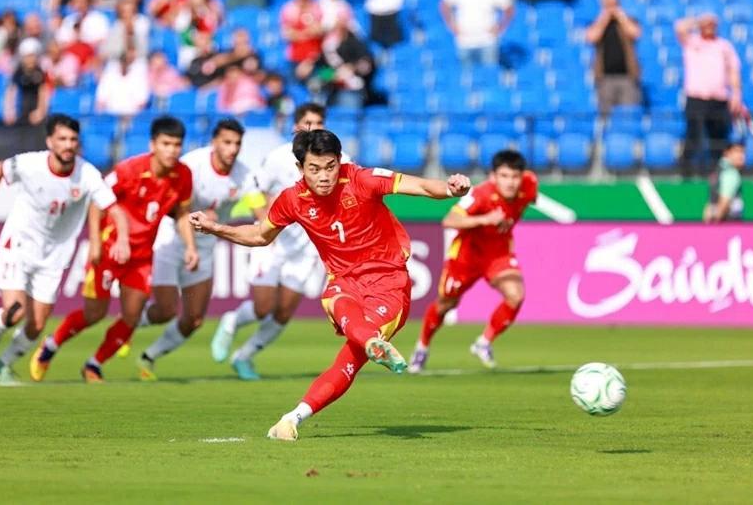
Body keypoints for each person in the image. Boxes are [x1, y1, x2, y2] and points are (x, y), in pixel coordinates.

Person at [193, 129, 471, 440]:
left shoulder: (362, 179)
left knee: (349, 359)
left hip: (389, 284)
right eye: (314, 169)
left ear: (340, 161)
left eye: (330, 166)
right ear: (300, 168)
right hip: (344, 281)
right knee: (338, 302)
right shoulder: (292, 199)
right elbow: (259, 235)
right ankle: (365, 348)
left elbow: (418, 185)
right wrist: (215, 228)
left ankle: (295, 414)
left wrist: (450, 189)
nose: (324, 176)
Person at [30, 116, 197, 383]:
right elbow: (97, 202)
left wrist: (190, 246)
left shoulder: (183, 175)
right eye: (166, 144)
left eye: (177, 145)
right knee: (94, 313)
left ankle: (94, 365)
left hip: (141, 257)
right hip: (109, 251)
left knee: (132, 315)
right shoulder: (129, 170)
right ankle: (51, 345)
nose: (172, 150)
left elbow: (182, 213)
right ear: (153, 144)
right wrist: (96, 243)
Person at [0, 114, 130, 383]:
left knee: (36, 325)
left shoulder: (87, 174)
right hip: (20, 242)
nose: (68, 144)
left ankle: (3, 365)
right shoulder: (31, 164)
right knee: (16, 311)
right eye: (62, 139)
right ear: (50, 142)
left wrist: (122, 238)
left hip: (54, 256)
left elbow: (113, 209)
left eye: (73, 139)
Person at [210, 104, 334, 380]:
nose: (313, 128)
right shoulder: (279, 157)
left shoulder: (338, 158)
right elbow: (254, 189)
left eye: (318, 123)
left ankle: (244, 356)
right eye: (308, 123)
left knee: (284, 311)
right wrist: (264, 222)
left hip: (305, 248)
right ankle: (231, 321)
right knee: (263, 306)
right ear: (296, 127)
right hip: (272, 241)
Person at [134, 119, 263, 380]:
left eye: (237, 144)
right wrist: (198, 214)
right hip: (171, 239)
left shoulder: (245, 175)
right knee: (165, 310)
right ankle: (125, 327)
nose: (232, 149)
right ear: (214, 142)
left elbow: (260, 209)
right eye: (227, 142)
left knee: (194, 319)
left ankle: (148, 357)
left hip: (205, 246)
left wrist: (270, 224)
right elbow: (167, 203)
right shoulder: (192, 165)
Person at [409, 150, 538, 373]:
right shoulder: (480, 194)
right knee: (445, 305)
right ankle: (422, 347)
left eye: (515, 177)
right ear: (493, 176)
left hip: (498, 253)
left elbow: (529, 199)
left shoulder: (530, 185)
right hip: (466, 256)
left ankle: (483, 342)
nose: (510, 182)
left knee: (516, 295)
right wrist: (485, 219)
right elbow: (450, 220)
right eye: (504, 176)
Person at [675, 13, 743, 177]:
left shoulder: (724, 46)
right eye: (707, 25)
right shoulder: (692, 42)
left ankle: (717, 174)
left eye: (712, 25)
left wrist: (736, 94)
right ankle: (687, 173)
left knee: (718, 139)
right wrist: (698, 20)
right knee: (693, 136)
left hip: (718, 100)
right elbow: (679, 27)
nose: (709, 28)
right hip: (696, 98)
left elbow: (733, 71)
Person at [441, 0, 513, 66]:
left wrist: (501, 27)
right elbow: (444, 4)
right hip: (465, 40)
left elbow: (509, 7)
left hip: (487, 40)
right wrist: (451, 25)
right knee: (466, 72)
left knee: (489, 71)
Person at [585, 0, 642, 116]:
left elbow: (635, 33)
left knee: (628, 115)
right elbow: (591, 37)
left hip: (627, 76)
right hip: (605, 78)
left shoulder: (628, 20)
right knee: (605, 115)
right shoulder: (597, 23)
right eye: (607, 4)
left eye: (613, 4)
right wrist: (604, 18)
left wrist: (620, 16)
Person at [279, 0, 324, 83]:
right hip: (295, 56)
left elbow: (319, 31)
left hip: (315, 56)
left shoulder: (317, 7)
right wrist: (307, 33)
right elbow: (287, 34)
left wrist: (300, 34)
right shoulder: (288, 9)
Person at [3, 38, 49, 129]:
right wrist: (10, 112)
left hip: (35, 115)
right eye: (28, 56)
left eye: (33, 56)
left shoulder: (40, 72)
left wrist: (40, 111)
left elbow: (43, 92)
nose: (30, 60)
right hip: (20, 114)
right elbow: (11, 92)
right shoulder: (18, 72)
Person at [95, 43, 149, 116]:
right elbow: (100, 100)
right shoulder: (108, 77)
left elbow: (142, 102)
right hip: (111, 115)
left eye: (126, 62)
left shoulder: (138, 78)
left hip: (132, 115)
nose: (124, 64)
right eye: (122, 62)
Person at [704, 142, 745, 223]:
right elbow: (724, 202)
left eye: (743, 152)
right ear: (727, 153)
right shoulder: (731, 172)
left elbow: (710, 203)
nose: (741, 156)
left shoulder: (718, 169)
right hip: (728, 223)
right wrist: (716, 225)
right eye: (737, 151)